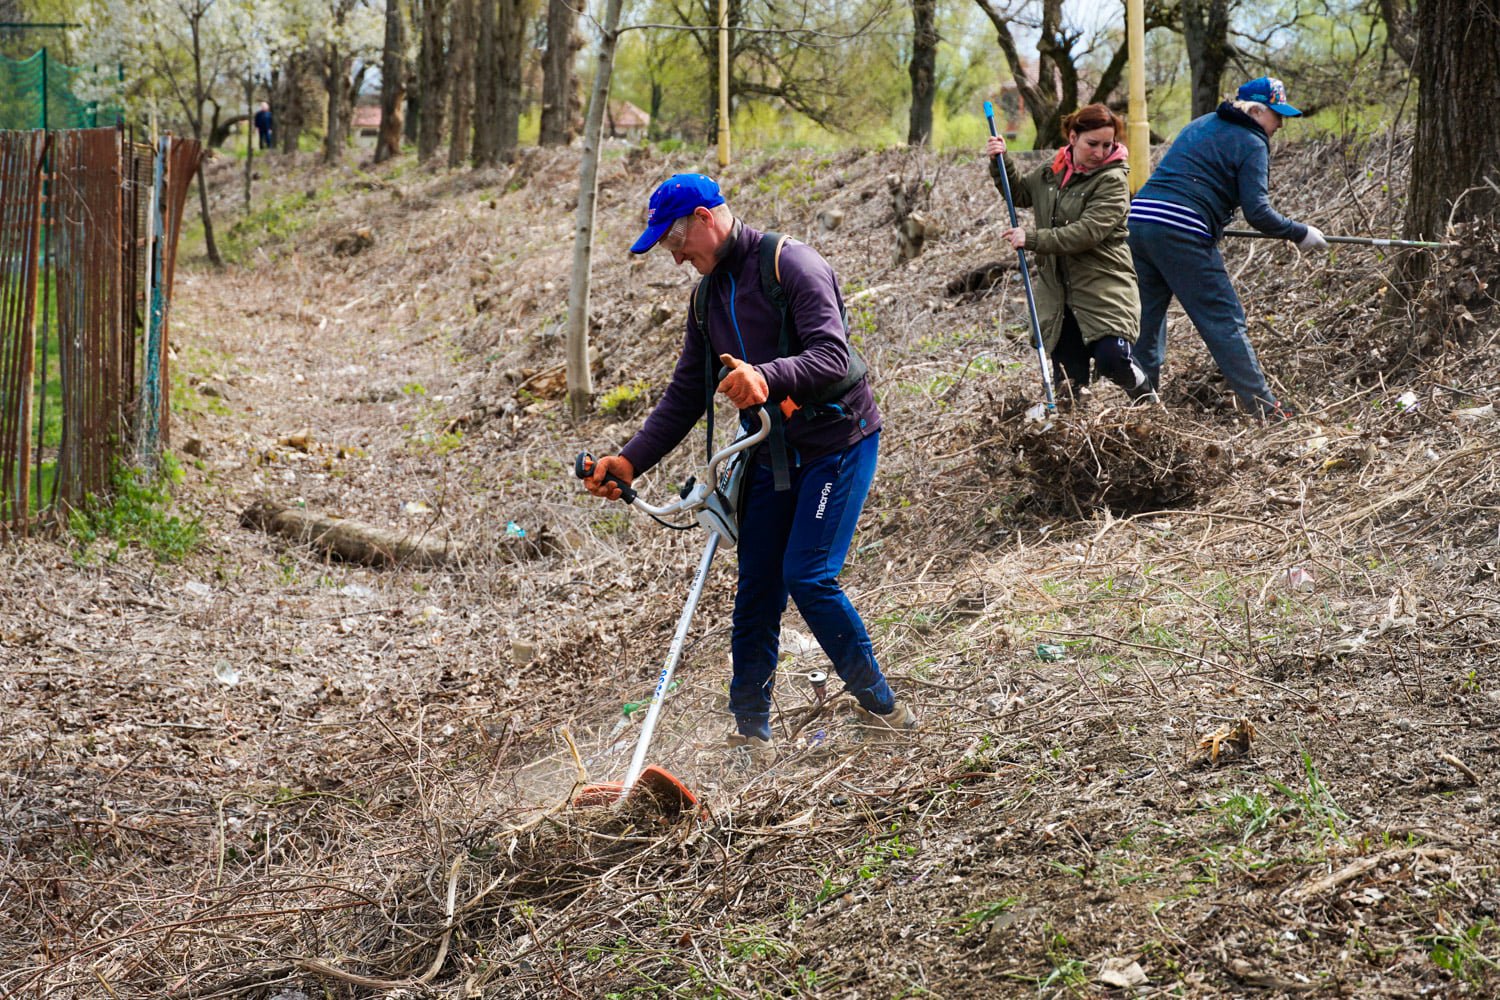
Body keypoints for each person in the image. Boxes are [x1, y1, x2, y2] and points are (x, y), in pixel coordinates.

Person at [581, 173, 916, 760]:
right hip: (768, 450)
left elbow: (832, 354)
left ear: (706, 219)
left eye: (675, 241)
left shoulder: (792, 265)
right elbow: (687, 394)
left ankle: (883, 708)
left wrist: (767, 374)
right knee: (757, 585)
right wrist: (630, 461)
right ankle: (750, 734)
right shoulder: (705, 298)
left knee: (807, 576)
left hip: (835, 443)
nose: (675, 255)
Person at [1127, 76, 1327, 418]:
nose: (1280, 123)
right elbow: (1258, 213)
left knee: (1147, 321)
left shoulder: (1200, 124)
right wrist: (1300, 233)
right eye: (1276, 114)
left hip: (1140, 221)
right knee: (1223, 319)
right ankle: (1266, 409)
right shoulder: (1252, 141)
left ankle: (1143, 408)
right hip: (1180, 230)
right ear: (1254, 110)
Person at [984, 103, 1152, 401]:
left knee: (1113, 360)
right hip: (1058, 293)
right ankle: (1077, 440)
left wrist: (1032, 238)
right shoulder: (1052, 172)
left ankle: (1144, 395)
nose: (1100, 152)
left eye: (1107, 145)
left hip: (1103, 288)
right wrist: (1002, 161)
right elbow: (1021, 193)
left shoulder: (1112, 181)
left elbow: (1086, 232)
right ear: (1073, 137)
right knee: (1068, 387)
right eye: (1092, 144)